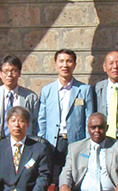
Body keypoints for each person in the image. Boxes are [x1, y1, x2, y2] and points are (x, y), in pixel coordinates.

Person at [38, 49, 94, 183]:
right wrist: (41, 142)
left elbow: (89, 118)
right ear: (55, 64)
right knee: (51, 177)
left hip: (75, 141)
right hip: (52, 141)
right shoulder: (47, 91)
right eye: (61, 61)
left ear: (74, 65)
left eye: (69, 61)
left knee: (74, 176)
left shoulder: (84, 90)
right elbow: (42, 120)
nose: (65, 65)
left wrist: (87, 144)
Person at [0, 54, 40, 153]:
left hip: (24, 146)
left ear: (19, 73)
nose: (9, 75)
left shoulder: (30, 97)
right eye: (5, 71)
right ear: (0, 74)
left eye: (13, 71)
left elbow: (35, 124)